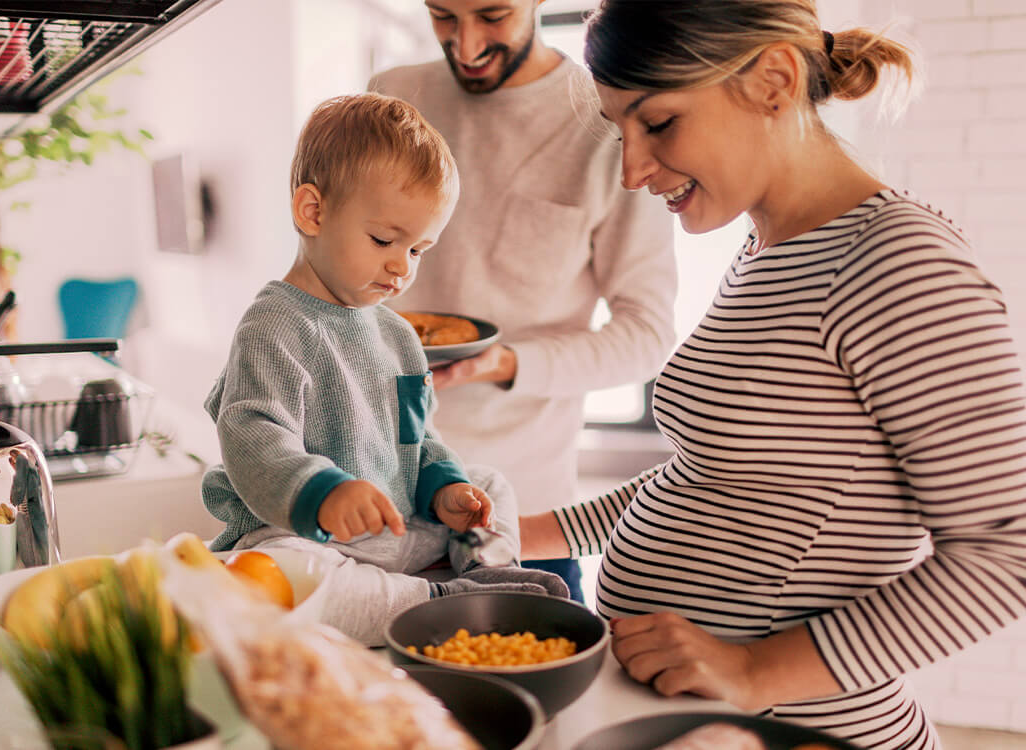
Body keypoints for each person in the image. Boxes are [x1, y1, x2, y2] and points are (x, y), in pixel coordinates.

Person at [520, 2, 1026, 748]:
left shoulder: (898, 264)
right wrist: (523, 532)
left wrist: (756, 670)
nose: (630, 171)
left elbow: (1003, 552)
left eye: (657, 123)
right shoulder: (769, 249)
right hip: (696, 721)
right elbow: (716, 479)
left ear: (773, 81)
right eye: (617, 130)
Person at [200, 93, 567, 647]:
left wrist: (446, 490)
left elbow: (420, 439)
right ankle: (440, 603)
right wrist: (322, 493)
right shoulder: (272, 325)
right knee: (279, 581)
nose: (401, 266)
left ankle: (482, 570)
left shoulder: (396, 334)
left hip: (394, 527)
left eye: (419, 250)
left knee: (490, 482)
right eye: (384, 240)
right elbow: (253, 434)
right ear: (313, 212)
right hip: (306, 536)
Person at [369, 0, 678, 604]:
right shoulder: (393, 97)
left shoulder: (609, 119)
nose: (465, 46)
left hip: (522, 514)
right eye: (442, 16)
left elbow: (646, 335)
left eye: (492, 15)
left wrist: (506, 363)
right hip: (383, 500)